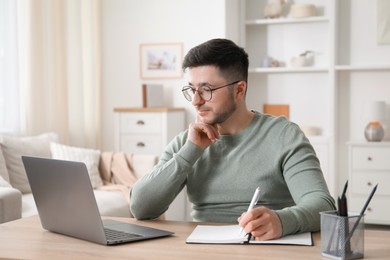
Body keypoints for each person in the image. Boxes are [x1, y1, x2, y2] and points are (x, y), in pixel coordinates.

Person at [130, 38, 335, 240]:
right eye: (192, 89)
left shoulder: (284, 135)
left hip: (267, 248)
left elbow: (323, 205)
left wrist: (283, 221)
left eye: (207, 90)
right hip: (204, 250)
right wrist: (190, 151)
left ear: (239, 89)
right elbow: (140, 208)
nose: (195, 101)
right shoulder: (187, 142)